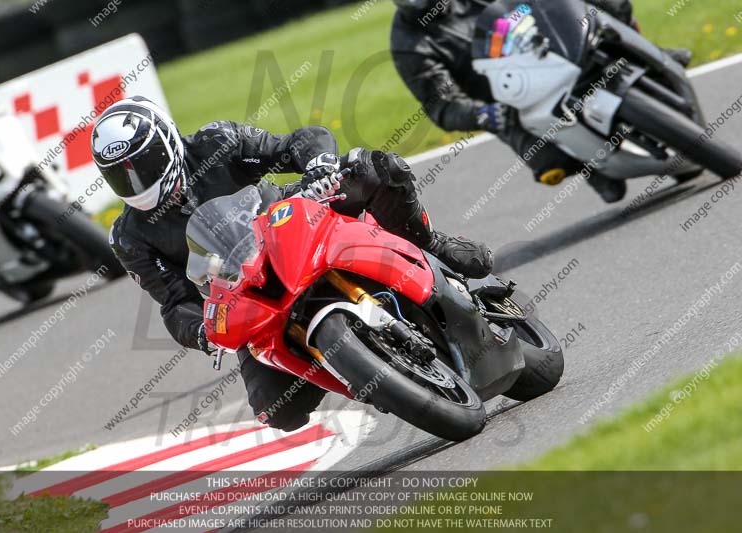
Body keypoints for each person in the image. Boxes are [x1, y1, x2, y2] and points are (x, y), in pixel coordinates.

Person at [91, 96, 493, 431]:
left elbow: (297, 142)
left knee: (375, 167)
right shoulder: (128, 236)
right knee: (277, 410)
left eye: (141, 166)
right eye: (120, 177)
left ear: (166, 142)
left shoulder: (217, 141)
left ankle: (428, 244)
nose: (135, 182)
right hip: (246, 291)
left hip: (294, 226)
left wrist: (318, 165)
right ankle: (363, 369)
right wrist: (202, 332)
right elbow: (173, 301)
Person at [390, 0, 693, 203]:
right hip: (515, 102)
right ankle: (591, 164)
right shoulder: (409, 44)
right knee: (551, 164)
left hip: (556, 46)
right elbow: (442, 105)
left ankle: (650, 52)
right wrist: (484, 114)